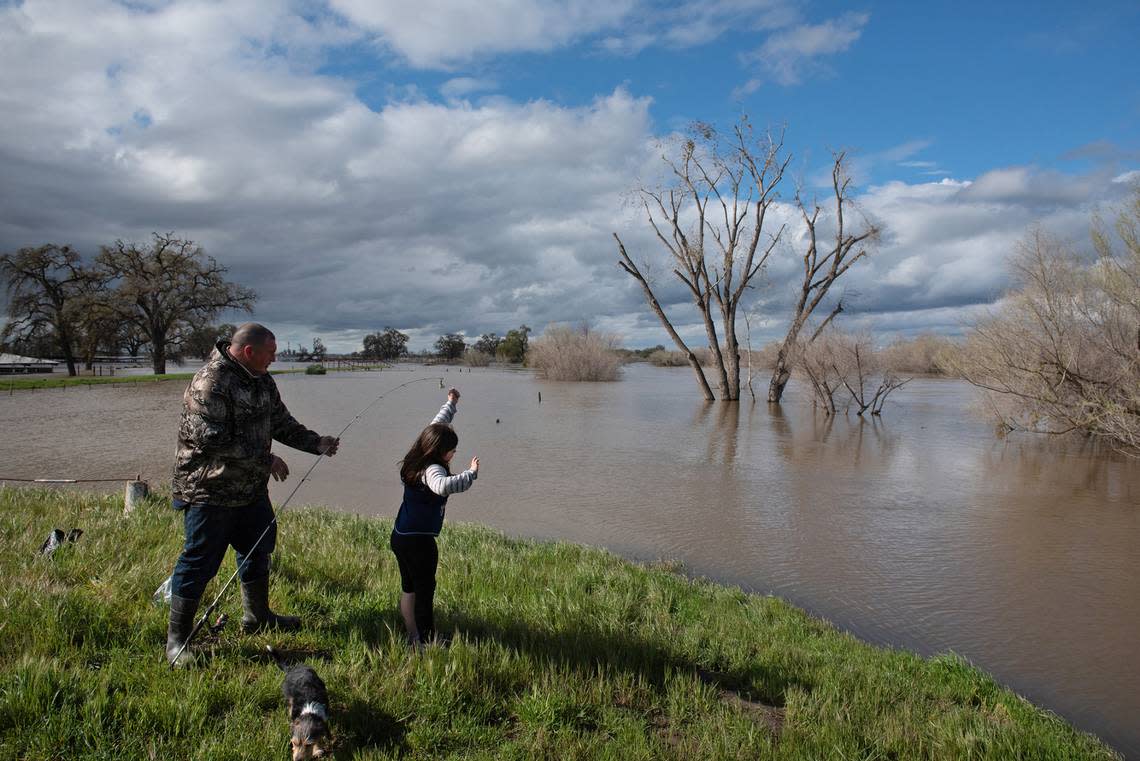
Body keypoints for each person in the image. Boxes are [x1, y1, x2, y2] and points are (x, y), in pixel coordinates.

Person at [165, 322, 340, 666]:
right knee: (199, 561)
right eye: (271, 354)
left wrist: (315, 443)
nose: (275, 359)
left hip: (250, 489)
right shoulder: (209, 382)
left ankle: (257, 617)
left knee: (258, 548)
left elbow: (280, 422)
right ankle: (177, 643)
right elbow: (210, 438)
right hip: (208, 491)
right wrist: (266, 457)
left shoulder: (261, 380)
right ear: (249, 352)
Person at [390, 387, 479, 647]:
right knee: (425, 592)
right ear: (440, 452)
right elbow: (442, 486)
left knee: (410, 589)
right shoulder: (433, 470)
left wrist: (451, 403)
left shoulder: (416, 455)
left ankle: (413, 637)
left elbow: (436, 425)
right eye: (452, 451)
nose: (454, 454)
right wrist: (470, 474)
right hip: (419, 543)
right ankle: (428, 642)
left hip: (401, 536)